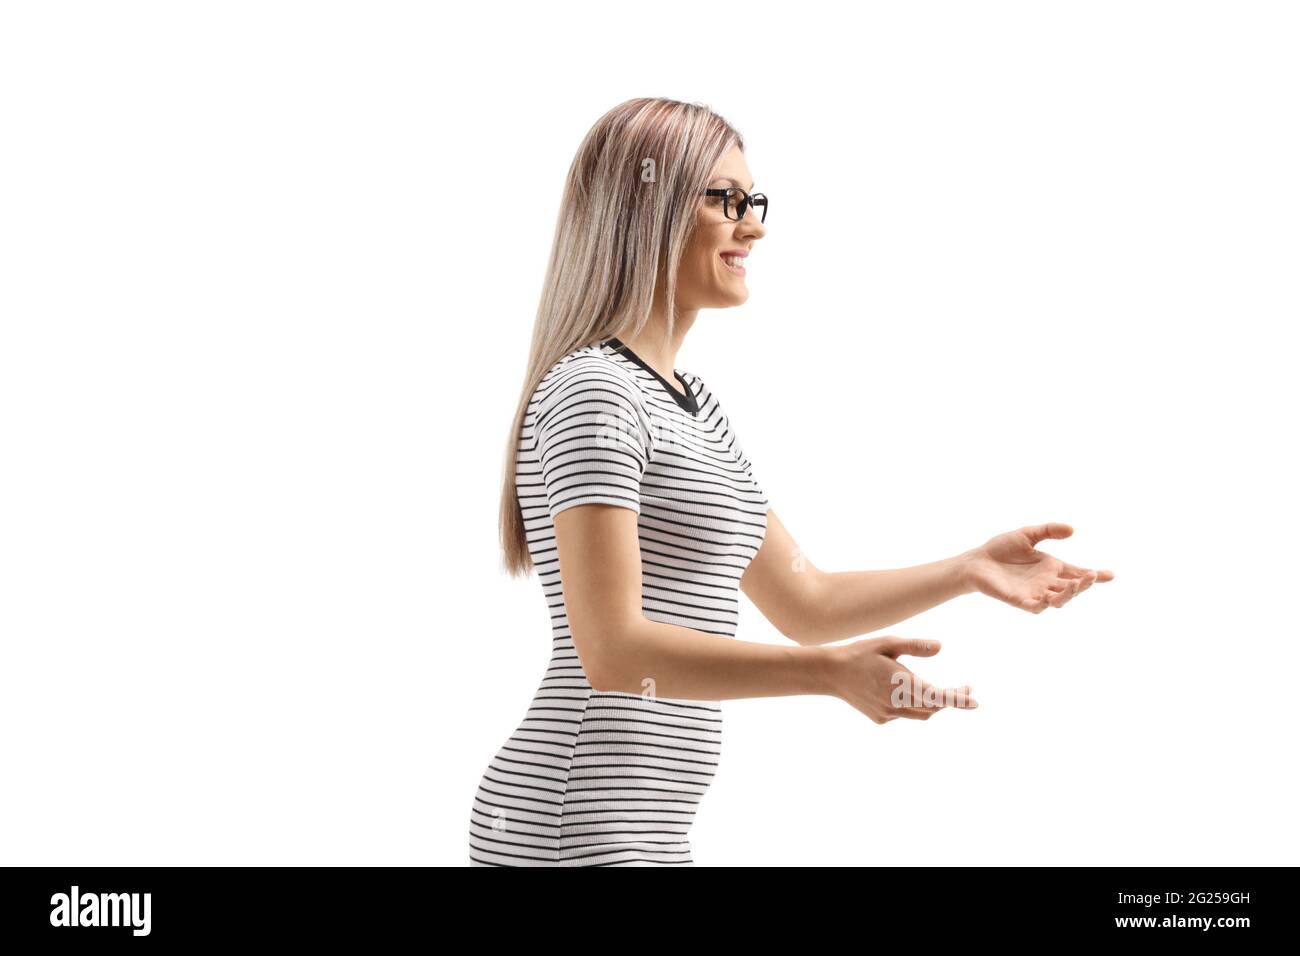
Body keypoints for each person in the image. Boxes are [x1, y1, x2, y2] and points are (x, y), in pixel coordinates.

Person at [468, 97, 1113, 866]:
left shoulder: (695, 407)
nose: (755, 226)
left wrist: (968, 568)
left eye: (754, 202)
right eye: (726, 200)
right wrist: (825, 676)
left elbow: (806, 601)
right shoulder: (595, 392)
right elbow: (611, 651)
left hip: (648, 826)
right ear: (647, 207)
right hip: (573, 818)